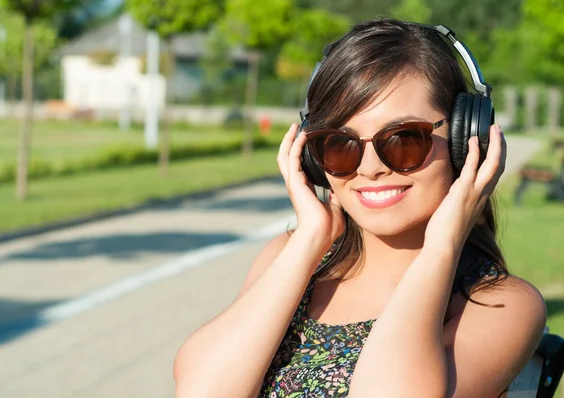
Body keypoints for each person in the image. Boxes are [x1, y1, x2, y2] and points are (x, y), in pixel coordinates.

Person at [173, 18, 547, 397]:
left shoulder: (500, 305)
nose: (370, 168)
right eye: (340, 144)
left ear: (464, 139)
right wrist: (310, 238)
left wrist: (442, 246)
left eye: (403, 139)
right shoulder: (290, 258)